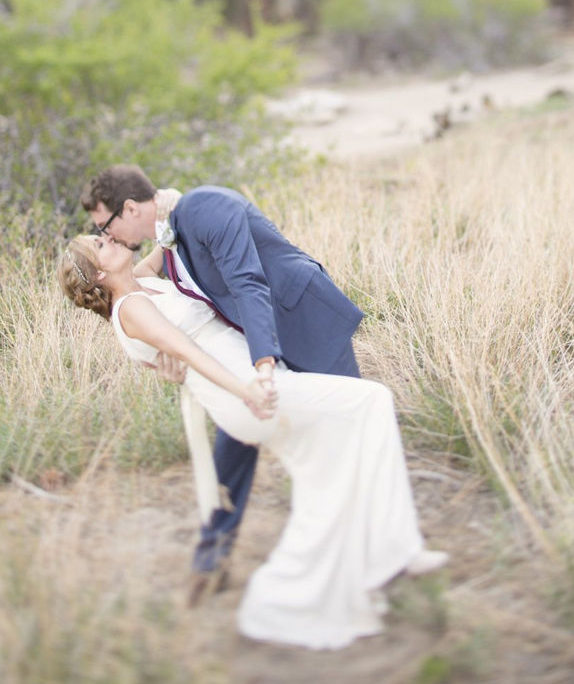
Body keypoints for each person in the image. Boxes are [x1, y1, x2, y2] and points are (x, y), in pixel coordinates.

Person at [58, 234, 448, 649]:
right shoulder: (131, 308)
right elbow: (187, 352)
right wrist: (244, 389)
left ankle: (325, 581)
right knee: (371, 401)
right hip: (238, 390)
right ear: (100, 273)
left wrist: (169, 218)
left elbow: (163, 243)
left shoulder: (139, 281)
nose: (111, 238)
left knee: (325, 469)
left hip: (251, 378)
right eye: (100, 244)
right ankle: (394, 549)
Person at [80, 165, 365, 595]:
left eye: (105, 226)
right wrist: (160, 359)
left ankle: (364, 543)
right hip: (241, 350)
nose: (110, 236)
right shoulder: (164, 240)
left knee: (354, 421)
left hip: (299, 319)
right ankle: (213, 555)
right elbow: (130, 302)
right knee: (236, 440)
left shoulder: (201, 209)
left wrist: (262, 363)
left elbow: (247, 283)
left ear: (131, 208)